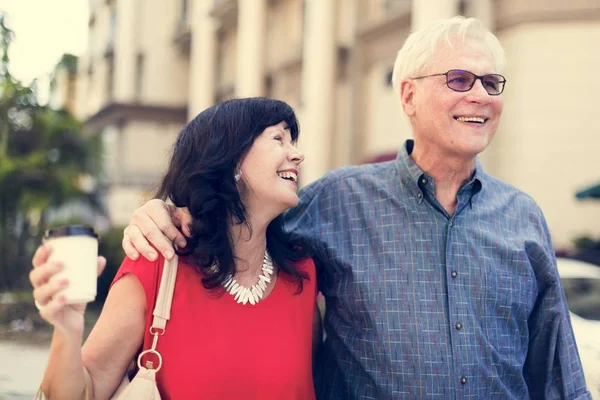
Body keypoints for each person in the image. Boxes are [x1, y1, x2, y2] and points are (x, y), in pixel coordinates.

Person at [121, 17, 591, 399]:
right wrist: (163, 211)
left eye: (492, 82)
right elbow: (237, 220)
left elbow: (557, 373)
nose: (481, 96)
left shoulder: (522, 215)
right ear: (408, 95)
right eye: (460, 79)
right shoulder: (336, 201)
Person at [30, 97, 321, 399]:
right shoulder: (157, 262)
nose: (297, 155)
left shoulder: (302, 274)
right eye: (279, 138)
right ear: (231, 157)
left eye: (293, 142)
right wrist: (66, 331)